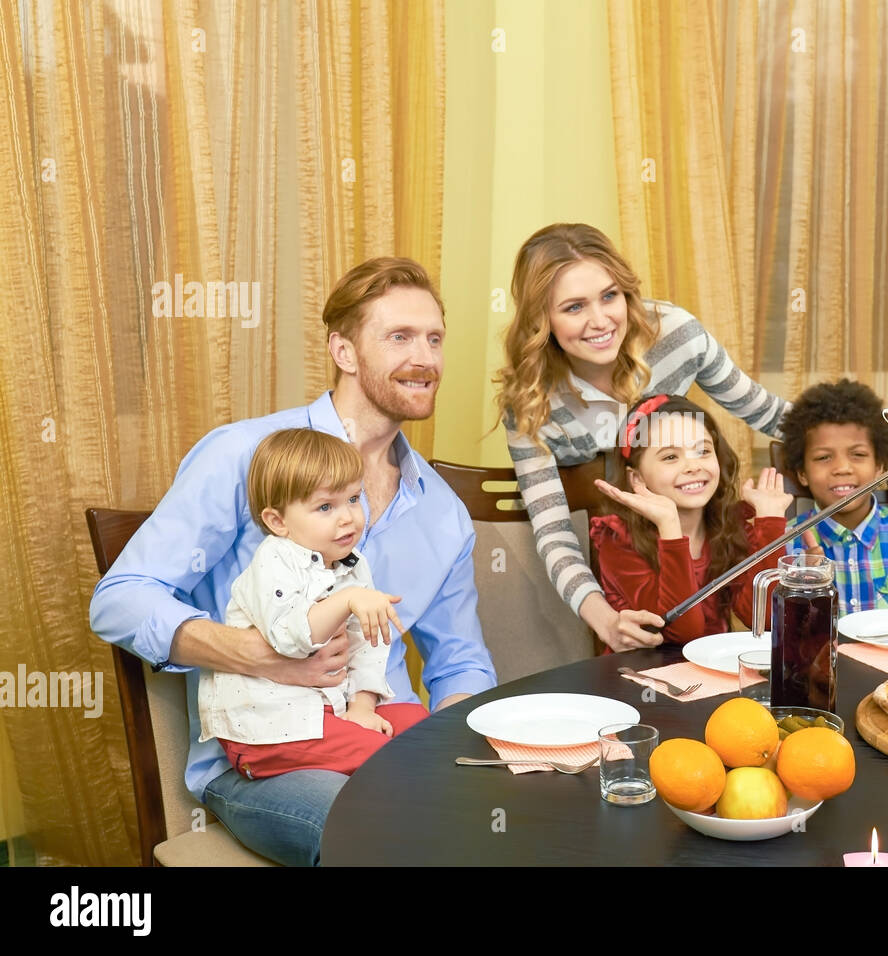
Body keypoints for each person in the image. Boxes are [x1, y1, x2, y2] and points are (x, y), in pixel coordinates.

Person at [89, 257, 497, 866]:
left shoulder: (443, 513)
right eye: (400, 337)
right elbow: (119, 599)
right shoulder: (245, 455)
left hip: (383, 736)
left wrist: (460, 753)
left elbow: (460, 662)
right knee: (392, 839)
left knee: (520, 815)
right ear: (344, 350)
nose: (425, 358)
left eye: (434, 338)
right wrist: (258, 654)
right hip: (265, 760)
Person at [495, 222, 888, 651]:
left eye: (610, 296)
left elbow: (772, 414)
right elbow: (552, 529)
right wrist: (604, 620)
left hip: (691, 547)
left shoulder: (675, 335)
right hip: (608, 566)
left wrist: (886, 457)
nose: (600, 320)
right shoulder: (531, 402)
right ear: (542, 318)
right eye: (573, 307)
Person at [199, 428, 432, 779]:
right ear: (277, 521)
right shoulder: (274, 560)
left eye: (354, 498)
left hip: (326, 711)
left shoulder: (353, 563)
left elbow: (368, 646)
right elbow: (290, 638)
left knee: (420, 725)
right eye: (326, 506)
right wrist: (348, 600)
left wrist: (362, 707)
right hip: (266, 726)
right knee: (382, 755)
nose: (348, 517)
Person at [590, 394, 792, 644]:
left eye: (703, 451)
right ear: (637, 479)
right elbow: (682, 633)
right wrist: (670, 527)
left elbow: (764, 619)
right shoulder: (617, 538)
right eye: (671, 457)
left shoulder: (728, 525)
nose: (693, 466)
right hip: (645, 675)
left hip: (715, 676)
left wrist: (770, 521)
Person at [782, 378, 888, 615]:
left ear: (880, 467)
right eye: (824, 457)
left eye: (858, 454)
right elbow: (779, 644)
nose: (842, 468)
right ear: (802, 473)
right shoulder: (785, 547)